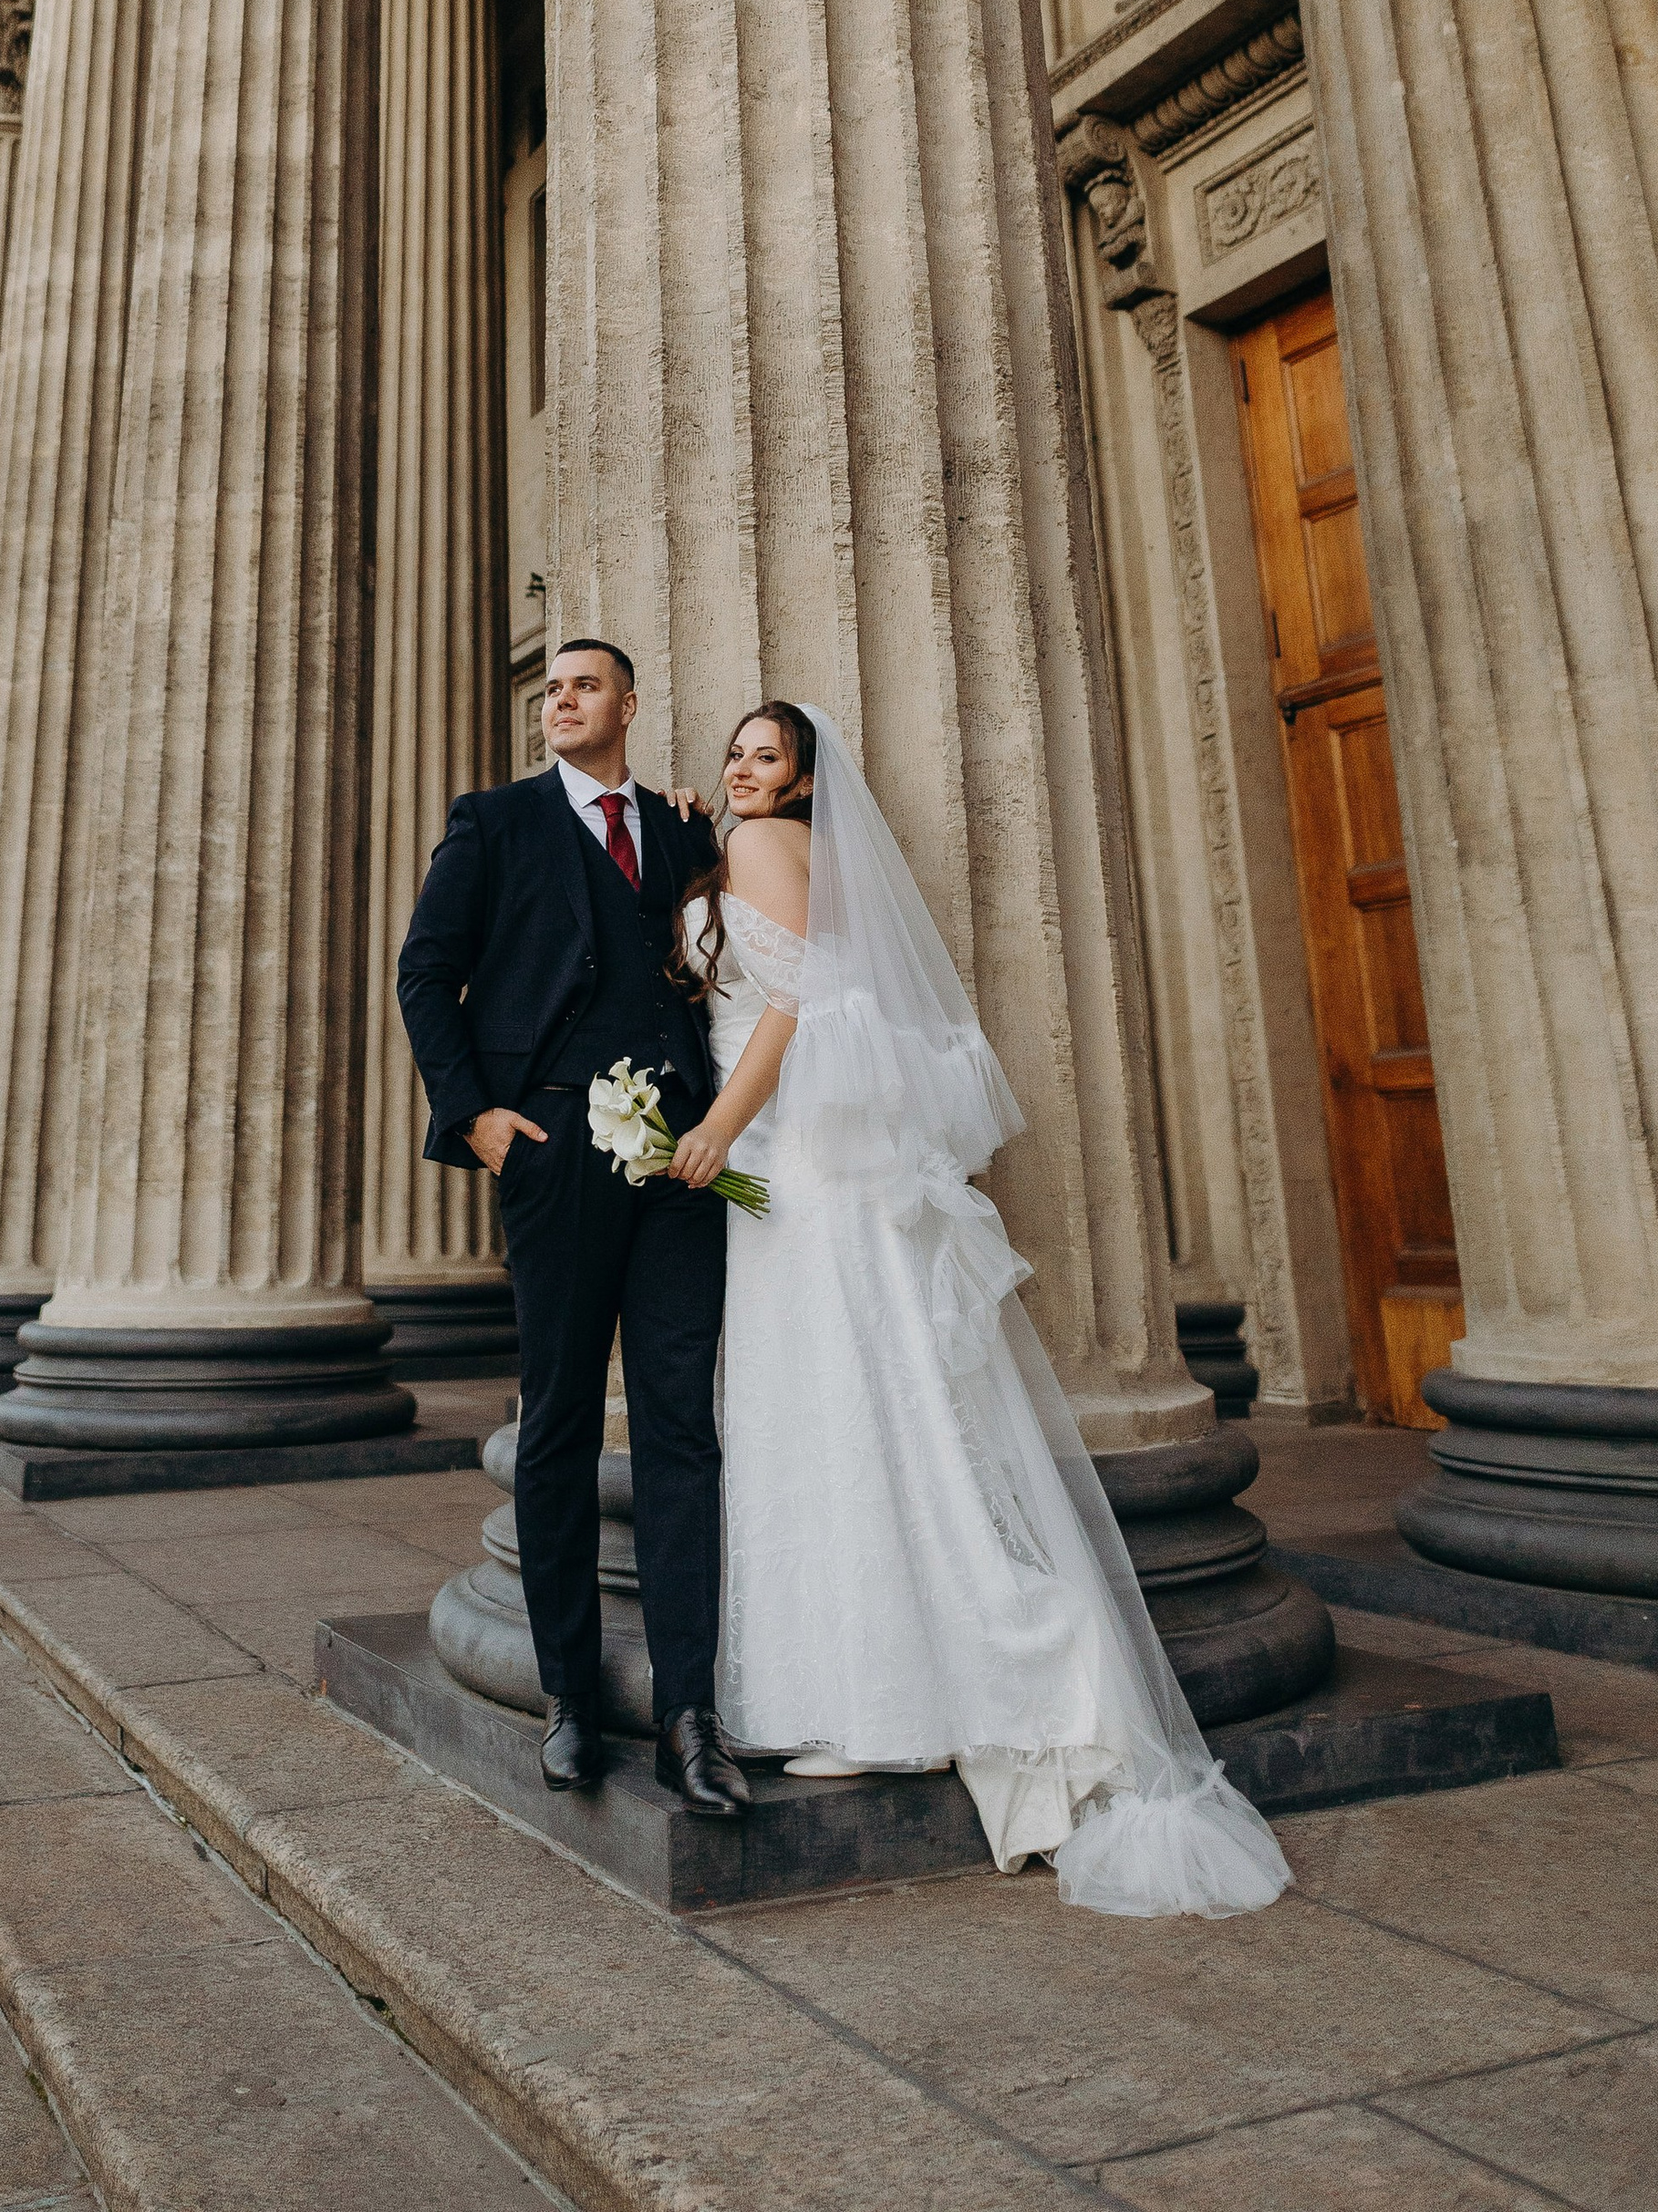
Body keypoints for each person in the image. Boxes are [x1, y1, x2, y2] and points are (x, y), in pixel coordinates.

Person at [667, 699, 1293, 1917]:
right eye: (734, 754)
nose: (743, 770)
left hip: (793, 1166)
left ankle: (883, 1702)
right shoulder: (762, 845)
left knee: (841, 1416)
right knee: (834, 1416)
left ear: (803, 781)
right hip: (794, 1175)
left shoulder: (761, 849)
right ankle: (857, 1692)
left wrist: (713, 1129)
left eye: (766, 757)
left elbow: (794, 1011)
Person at [396, 640, 751, 1818]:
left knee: (680, 1430)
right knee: (553, 1424)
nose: (559, 699)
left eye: (584, 686)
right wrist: (476, 1119)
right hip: (549, 1156)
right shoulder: (493, 823)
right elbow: (425, 970)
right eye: (551, 688)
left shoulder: (684, 830)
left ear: (629, 707)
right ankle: (567, 1699)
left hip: (678, 1170)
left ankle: (691, 1713)